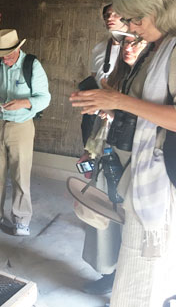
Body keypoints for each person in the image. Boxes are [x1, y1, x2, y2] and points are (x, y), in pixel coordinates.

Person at [70, 0, 176, 307]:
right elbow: (142, 106)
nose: (130, 27)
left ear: (155, 10)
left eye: (133, 19)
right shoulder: (157, 48)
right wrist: (103, 100)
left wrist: (117, 101)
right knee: (137, 268)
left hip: (164, 182)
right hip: (144, 170)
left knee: (144, 278)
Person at [79, 33, 147, 296]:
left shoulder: (152, 84)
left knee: (132, 224)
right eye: (126, 43)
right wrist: (90, 151)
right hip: (109, 153)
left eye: (136, 42)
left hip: (136, 160)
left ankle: (127, 284)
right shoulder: (117, 79)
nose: (129, 48)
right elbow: (103, 123)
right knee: (107, 221)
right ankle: (110, 275)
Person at [0, 29, 50, 236]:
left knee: (20, 173)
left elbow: (45, 98)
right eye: (1, 56)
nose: (5, 60)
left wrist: (24, 103)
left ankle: (21, 218)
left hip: (22, 125)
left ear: (18, 49)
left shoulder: (32, 65)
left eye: (8, 56)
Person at [81, 4, 129, 145]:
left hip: (120, 112)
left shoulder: (137, 47)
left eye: (115, 14)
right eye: (107, 15)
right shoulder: (99, 47)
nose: (110, 18)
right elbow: (94, 78)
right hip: (96, 111)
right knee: (90, 152)